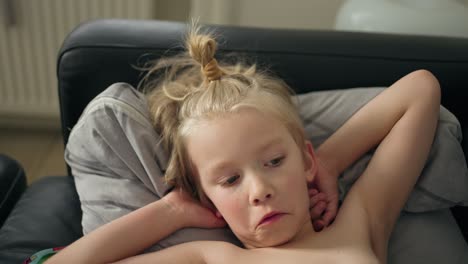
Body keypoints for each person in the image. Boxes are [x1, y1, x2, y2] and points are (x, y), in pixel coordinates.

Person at [46, 24, 441, 264]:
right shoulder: (214, 256)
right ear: (207, 199)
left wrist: (327, 164)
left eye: (273, 161)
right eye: (230, 179)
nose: (260, 190)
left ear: (302, 158)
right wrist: (170, 212)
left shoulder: (359, 226)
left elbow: (420, 89)